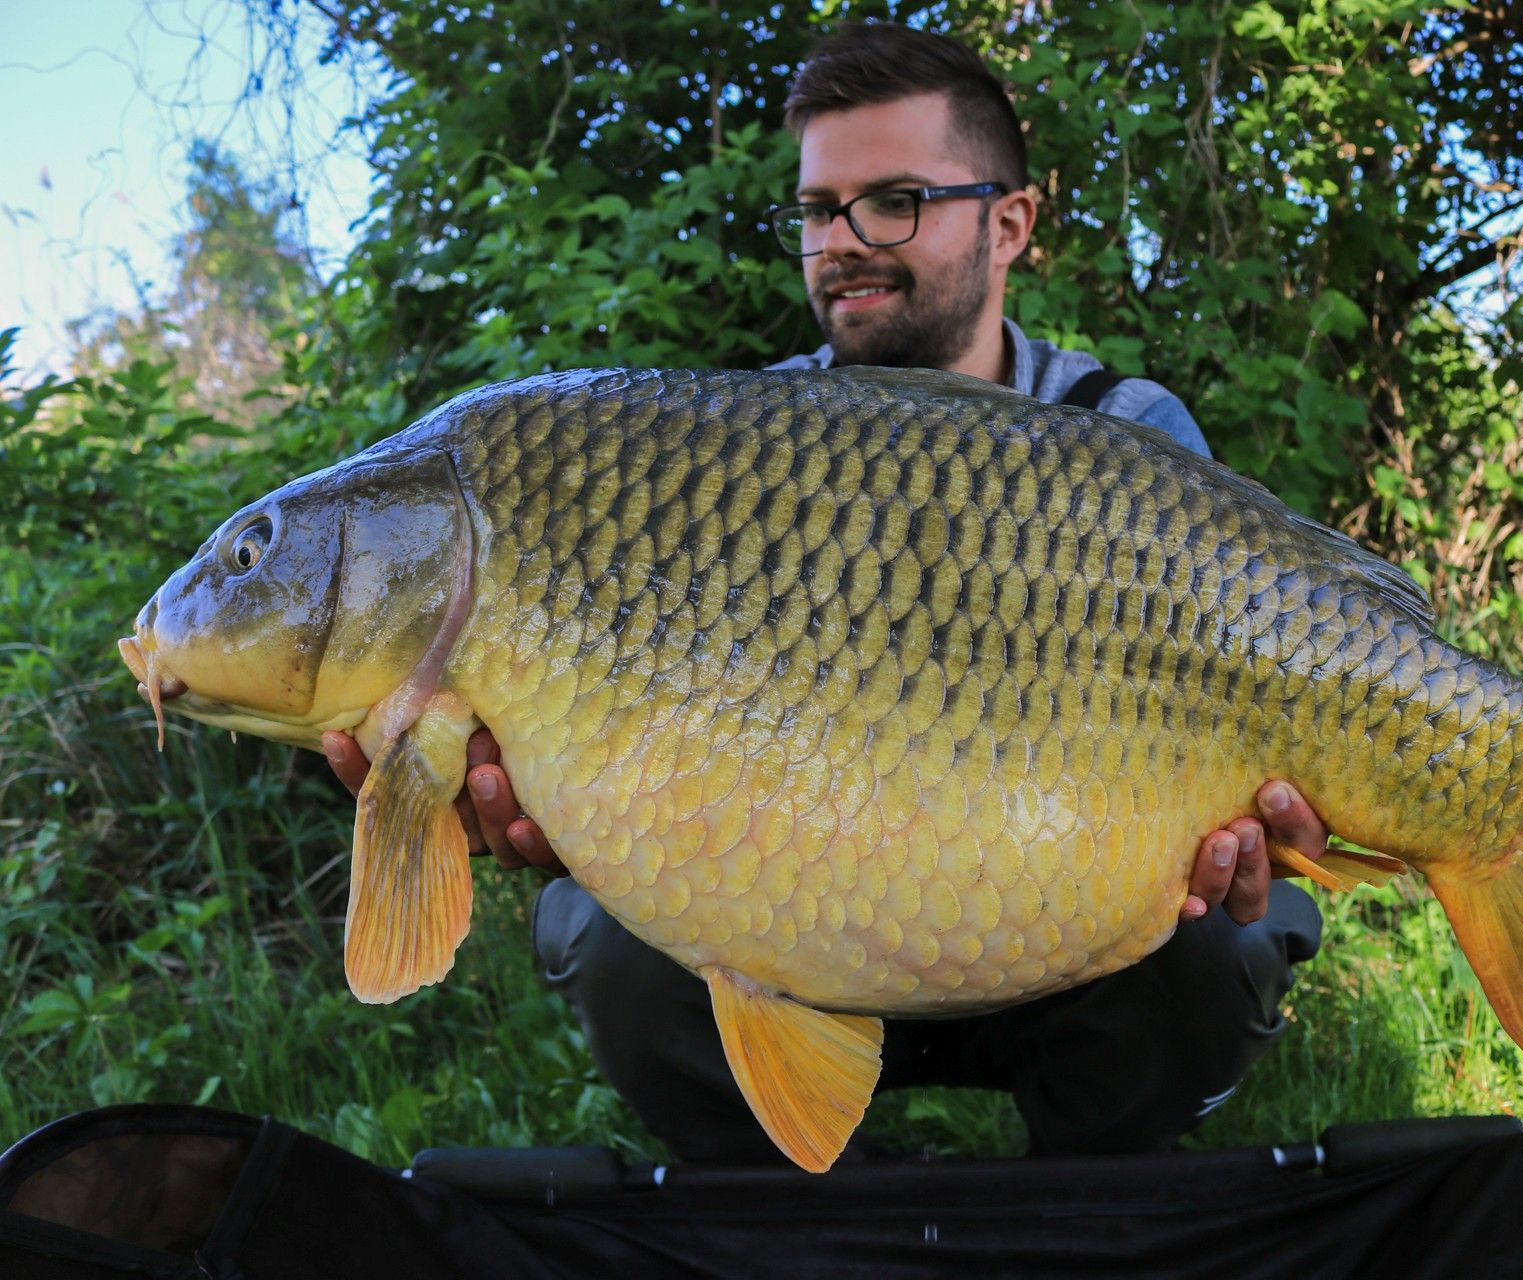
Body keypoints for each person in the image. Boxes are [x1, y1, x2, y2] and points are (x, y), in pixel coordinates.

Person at [325, 21, 1331, 1162]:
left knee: (1228, 935)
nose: (844, 241)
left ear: (1011, 222)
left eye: (895, 199)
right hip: (790, 908)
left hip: (1064, 924)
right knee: (605, 934)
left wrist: (1254, 820)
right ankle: (797, 1214)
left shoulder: (1128, 432)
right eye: (818, 210)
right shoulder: (722, 447)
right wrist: (580, 804)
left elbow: (1256, 712)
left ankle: (1089, 1198)